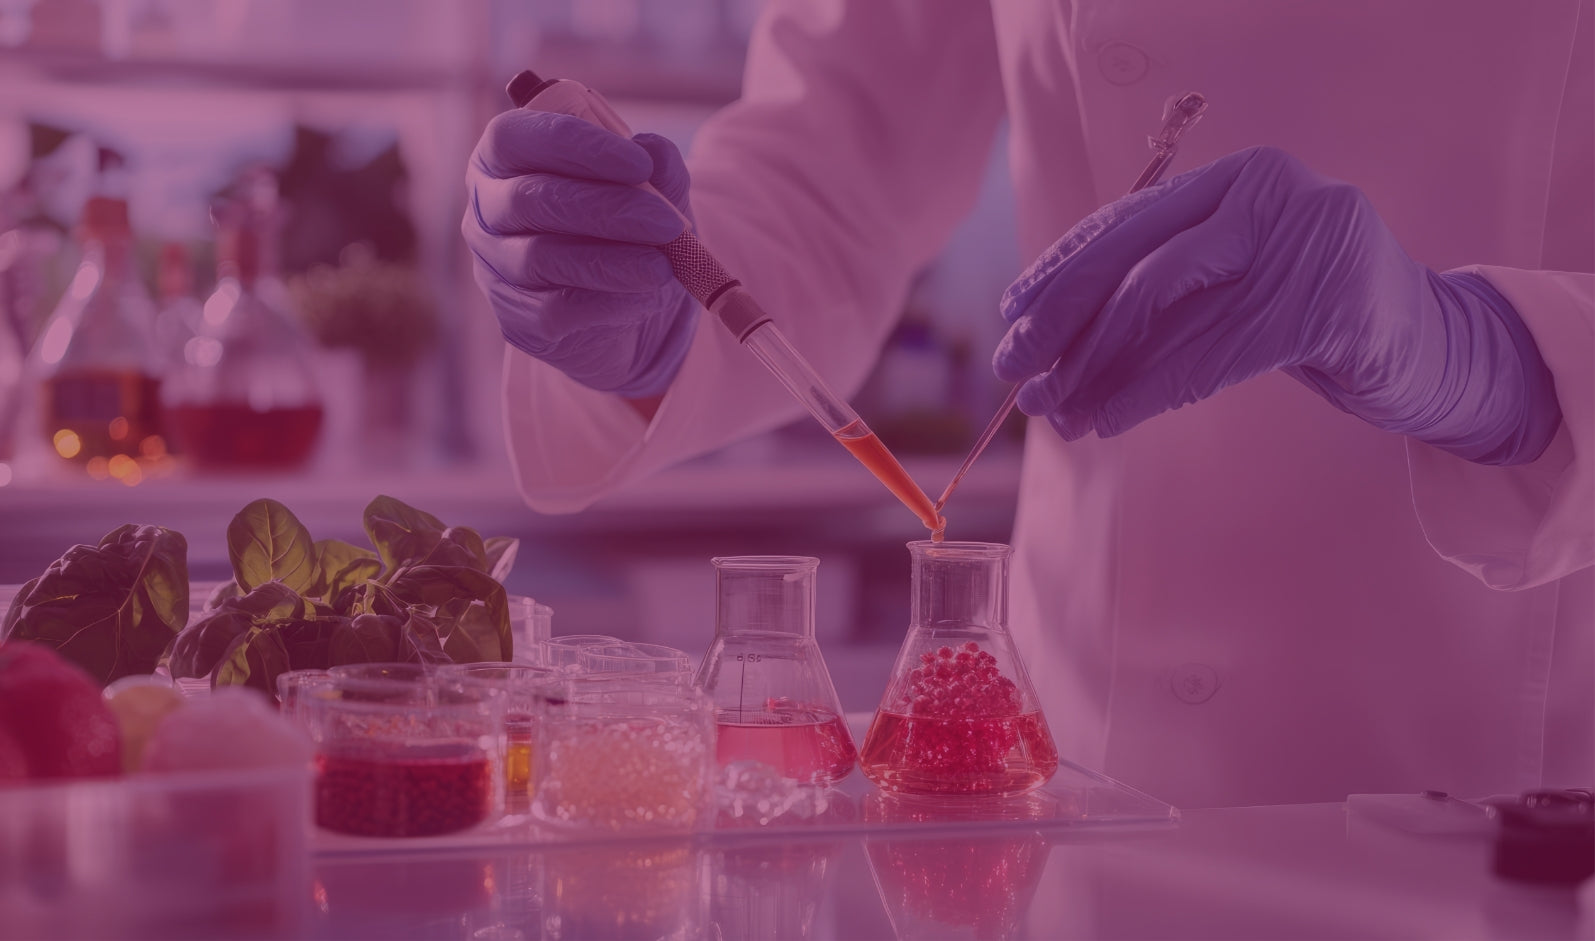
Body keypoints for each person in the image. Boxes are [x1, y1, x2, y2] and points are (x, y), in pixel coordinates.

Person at [463, 0, 1593, 808]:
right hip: (1087, 778)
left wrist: (1502, 364)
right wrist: (658, 303)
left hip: (1505, 788)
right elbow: (830, 158)